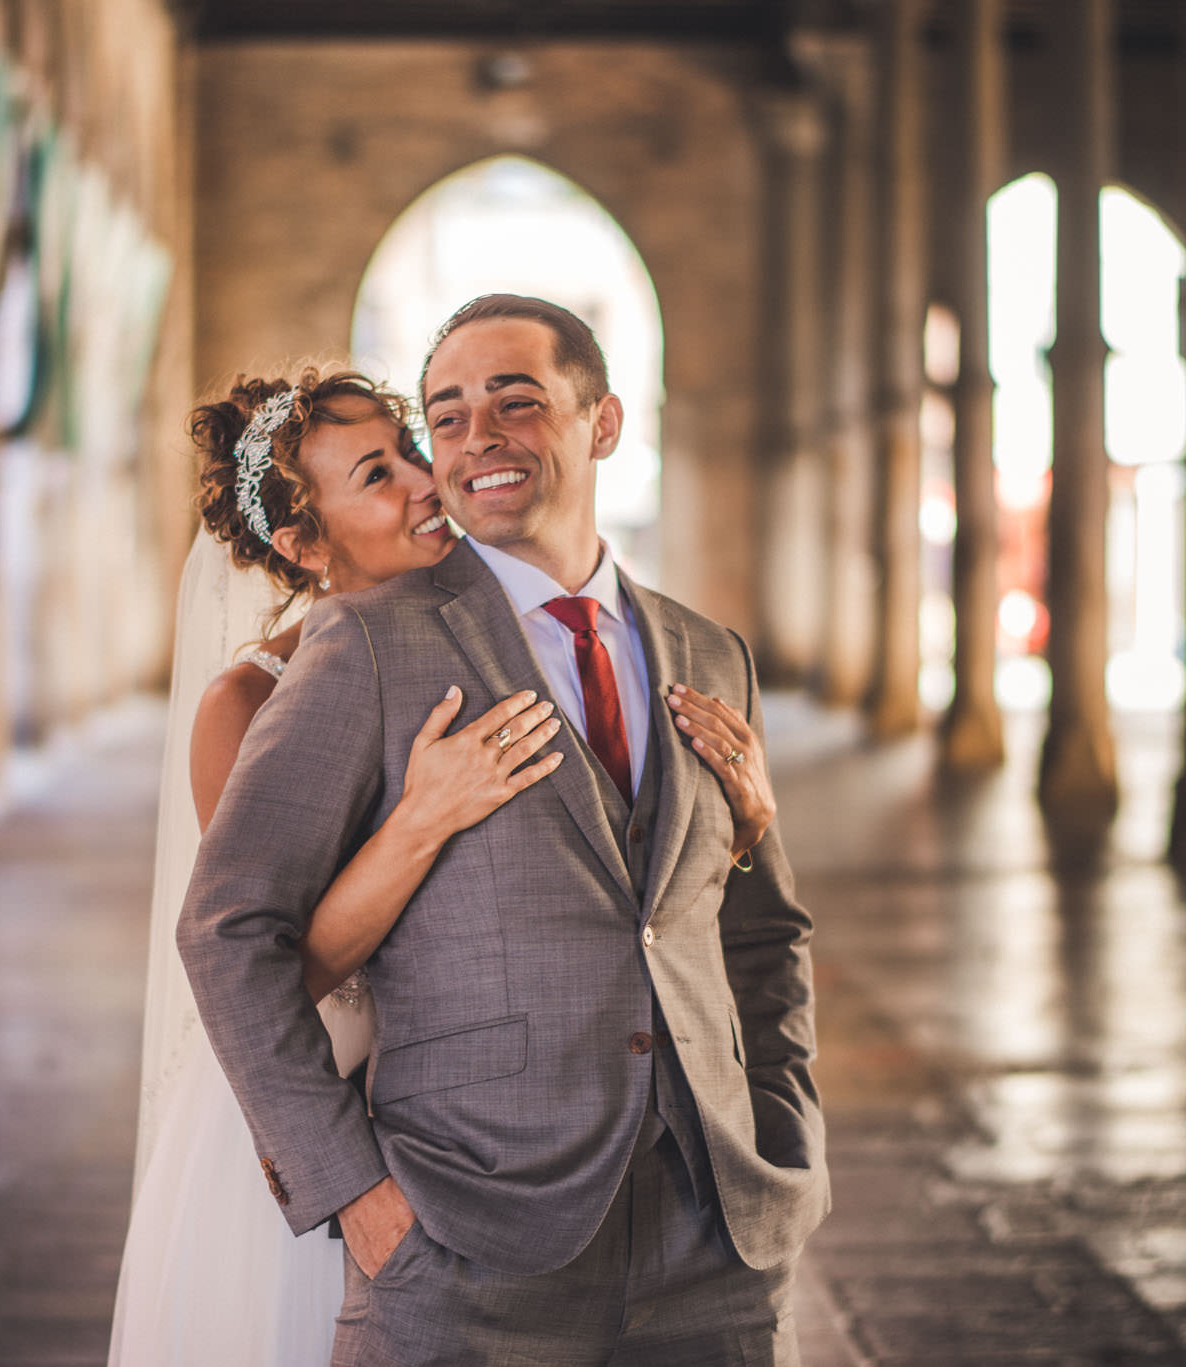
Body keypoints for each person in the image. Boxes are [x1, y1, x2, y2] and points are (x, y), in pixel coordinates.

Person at [179, 297, 828, 1364]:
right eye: (447, 416)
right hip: (465, 1241)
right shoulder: (361, 647)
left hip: (718, 1245)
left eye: (513, 401)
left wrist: (780, 1127)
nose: (474, 437)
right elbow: (229, 933)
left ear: (603, 422)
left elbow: (759, 931)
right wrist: (358, 1197)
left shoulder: (713, 655)